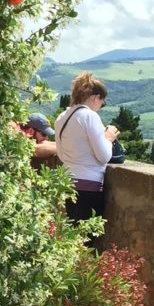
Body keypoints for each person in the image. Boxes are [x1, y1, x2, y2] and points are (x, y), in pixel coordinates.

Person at [55, 71, 119, 223]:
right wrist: (109, 138)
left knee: (73, 235)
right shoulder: (89, 116)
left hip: (68, 181)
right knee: (87, 239)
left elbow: (61, 154)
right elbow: (104, 156)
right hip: (89, 185)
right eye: (102, 102)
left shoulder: (62, 117)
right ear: (96, 97)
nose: (100, 106)